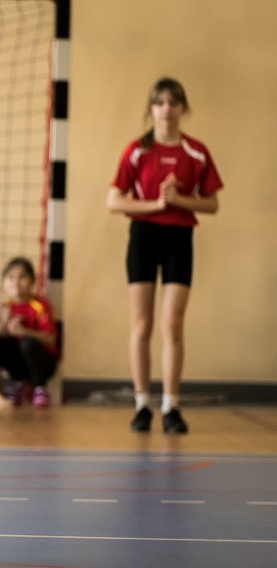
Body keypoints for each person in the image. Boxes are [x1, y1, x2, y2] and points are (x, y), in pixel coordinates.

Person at [107, 77, 223, 434]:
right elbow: (114, 200)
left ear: (183, 108)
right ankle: (142, 403)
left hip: (179, 238)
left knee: (172, 324)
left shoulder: (197, 152)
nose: (166, 109)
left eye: (173, 102)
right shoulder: (136, 150)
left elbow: (212, 203)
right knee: (141, 323)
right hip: (143, 236)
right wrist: (156, 203)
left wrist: (179, 201)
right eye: (159, 102)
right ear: (151, 109)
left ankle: (171, 405)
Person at [0, 257, 59, 409]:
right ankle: (19, 383)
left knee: (27, 342)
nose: (16, 282)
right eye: (11, 277)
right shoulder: (6, 307)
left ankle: (40, 388)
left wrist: (24, 331)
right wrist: (5, 325)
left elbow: (51, 339)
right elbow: (2, 342)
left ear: (32, 281)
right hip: (21, 363)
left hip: (44, 362)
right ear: (4, 283)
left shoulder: (40, 305)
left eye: (22, 277)